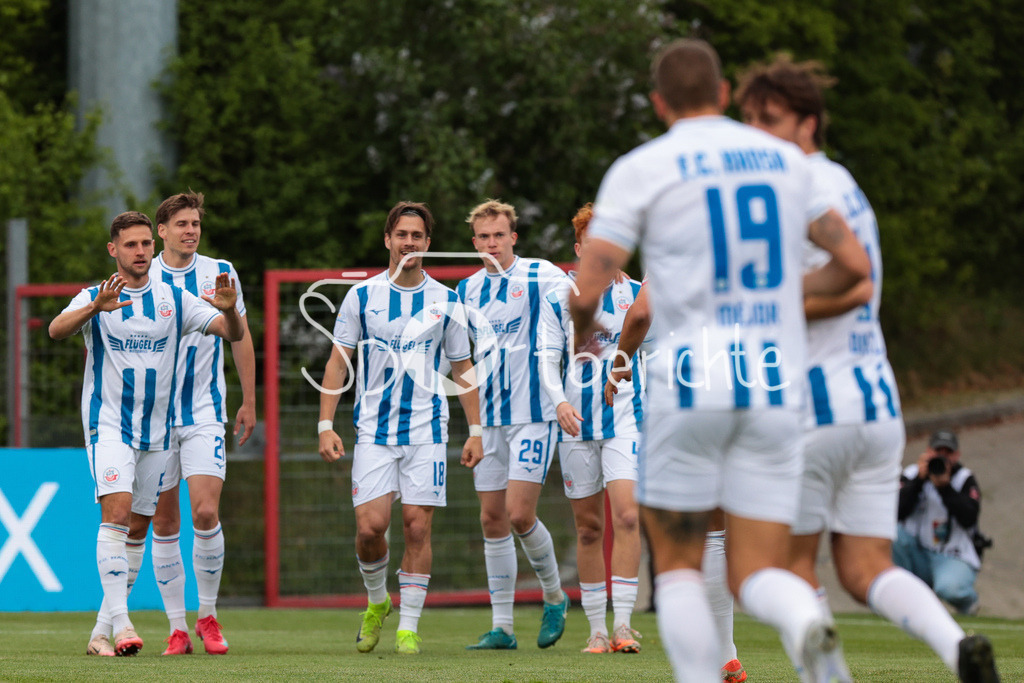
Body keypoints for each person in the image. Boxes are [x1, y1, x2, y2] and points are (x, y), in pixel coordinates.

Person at [569, 39, 873, 682]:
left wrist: (586, 337)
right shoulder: (783, 160)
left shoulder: (642, 167)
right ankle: (802, 622)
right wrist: (783, 302)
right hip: (770, 379)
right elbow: (852, 268)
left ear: (658, 103)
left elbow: (599, 292)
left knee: (677, 562)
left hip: (688, 381)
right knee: (761, 561)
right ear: (727, 92)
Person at [736, 55, 1000, 683]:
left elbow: (853, 280)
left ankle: (829, 679)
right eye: (746, 119)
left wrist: (766, 303)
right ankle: (957, 646)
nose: (754, 132)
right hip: (876, 405)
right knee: (863, 569)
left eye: (767, 119)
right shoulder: (842, 181)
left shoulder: (796, 183)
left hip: (813, 408)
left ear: (808, 123)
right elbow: (860, 284)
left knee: (776, 570)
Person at [49, 211, 243, 657]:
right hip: (109, 426)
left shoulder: (175, 299)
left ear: (152, 249)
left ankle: (101, 632)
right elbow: (57, 330)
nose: (140, 252)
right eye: (130, 245)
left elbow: (229, 333)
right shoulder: (95, 296)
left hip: (158, 434)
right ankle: (122, 625)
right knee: (115, 514)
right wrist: (94, 307)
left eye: (144, 245)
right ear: (113, 250)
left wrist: (231, 313)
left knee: (137, 527)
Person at [317, 201, 484, 655]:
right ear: (387, 240)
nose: (408, 241)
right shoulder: (362, 297)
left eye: (417, 235)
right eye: (401, 234)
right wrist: (325, 424)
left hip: (427, 431)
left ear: (428, 244)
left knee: (416, 527)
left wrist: (475, 430)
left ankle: (409, 626)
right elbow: (337, 362)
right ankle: (377, 603)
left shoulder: (446, 301)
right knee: (371, 528)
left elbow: (462, 366)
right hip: (373, 431)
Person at [605, 283, 747, 682]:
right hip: (731, 395)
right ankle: (726, 654)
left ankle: (700, 665)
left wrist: (619, 361)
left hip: (679, 404)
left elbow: (639, 313)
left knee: (675, 541)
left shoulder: (675, 232)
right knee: (716, 530)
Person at [457, 199, 571, 650]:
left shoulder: (541, 274)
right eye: (483, 237)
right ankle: (502, 627)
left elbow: (578, 303)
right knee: (492, 518)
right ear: (474, 243)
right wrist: (472, 425)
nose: (492, 243)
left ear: (513, 238)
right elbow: (462, 357)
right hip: (488, 421)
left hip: (534, 414)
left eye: (499, 235)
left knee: (520, 514)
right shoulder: (467, 291)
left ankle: (555, 597)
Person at [537, 203, 645, 654]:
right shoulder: (558, 296)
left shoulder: (638, 294)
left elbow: (653, 352)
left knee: (627, 515)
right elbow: (546, 355)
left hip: (625, 420)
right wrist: (559, 401)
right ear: (579, 248)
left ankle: (623, 626)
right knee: (587, 529)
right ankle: (596, 630)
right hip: (575, 423)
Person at [895, 430, 988, 616]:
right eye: (938, 451)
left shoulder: (964, 479)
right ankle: (903, 602)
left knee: (949, 589)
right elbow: (895, 511)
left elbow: (970, 517)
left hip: (952, 555)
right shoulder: (913, 473)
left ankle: (968, 602)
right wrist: (919, 481)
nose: (943, 457)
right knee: (892, 534)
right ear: (928, 451)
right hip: (917, 553)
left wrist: (944, 487)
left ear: (957, 455)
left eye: (948, 452)